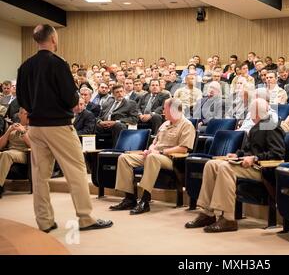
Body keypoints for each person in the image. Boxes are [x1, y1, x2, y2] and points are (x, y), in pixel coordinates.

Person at [16, 24, 112, 232]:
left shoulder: (25, 66)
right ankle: (85, 218)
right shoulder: (58, 64)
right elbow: (70, 99)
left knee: (40, 175)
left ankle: (44, 221)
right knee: (76, 170)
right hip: (59, 126)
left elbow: (22, 99)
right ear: (53, 39)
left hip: (35, 127)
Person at [185, 98, 285, 232]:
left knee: (225, 168)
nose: (249, 114)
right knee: (212, 164)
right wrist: (237, 155)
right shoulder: (257, 126)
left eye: (251, 112)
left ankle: (228, 219)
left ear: (256, 113)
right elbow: (250, 149)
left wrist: (255, 158)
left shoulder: (271, 126)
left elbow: (278, 154)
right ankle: (207, 213)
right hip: (248, 165)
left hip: (261, 169)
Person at [110, 98, 196, 214]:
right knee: (124, 158)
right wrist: (150, 149)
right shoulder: (165, 124)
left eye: (165, 109)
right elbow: (155, 142)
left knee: (152, 158)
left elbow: (183, 148)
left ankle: (145, 200)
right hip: (155, 155)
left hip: (172, 159)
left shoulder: (186, 125)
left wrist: (160, 153)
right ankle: (129, 198)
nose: (163, 112)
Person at [0, 108, 31, 198]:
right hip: (10, 151)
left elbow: (32, 145)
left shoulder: (33, 128)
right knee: (5, 154)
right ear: (19, 115)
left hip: (24, 153)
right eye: (26, 114)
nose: (29, 115)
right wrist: (9, 131)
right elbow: (1, 145)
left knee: (6, 155)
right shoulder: (12, 127)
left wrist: (23, 131)